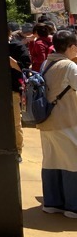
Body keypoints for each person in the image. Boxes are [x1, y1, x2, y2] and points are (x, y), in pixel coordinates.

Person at [38, 29, 77, 217]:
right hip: (66, 121)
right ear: (71, 47)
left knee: (51, 161)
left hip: (46, 120)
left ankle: (52, 203)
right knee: (73, 162)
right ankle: (73, 206)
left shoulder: (46, 63)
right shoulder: (69, 66)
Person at [9, 24, 32, 158]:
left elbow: (25, 67)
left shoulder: (16, 47)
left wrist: (12, 62)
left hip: (13, 89)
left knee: (15, 122)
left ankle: (18, 151)